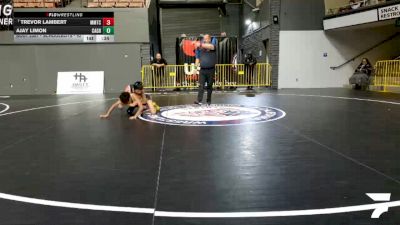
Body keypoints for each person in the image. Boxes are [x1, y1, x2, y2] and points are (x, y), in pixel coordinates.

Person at [194, 34, 217, 105]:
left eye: (206, 39)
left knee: (210, 86)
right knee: (201, 85)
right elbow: (197, 58)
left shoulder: (212, 45)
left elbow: (211, 47)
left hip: (211, 69)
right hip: (202, 69)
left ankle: (208, 100)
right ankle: (199, 100)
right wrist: (195, 68)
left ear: (209, 39)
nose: (205, 40)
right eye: (204, 39)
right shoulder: (199, 48)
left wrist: (199, 44)